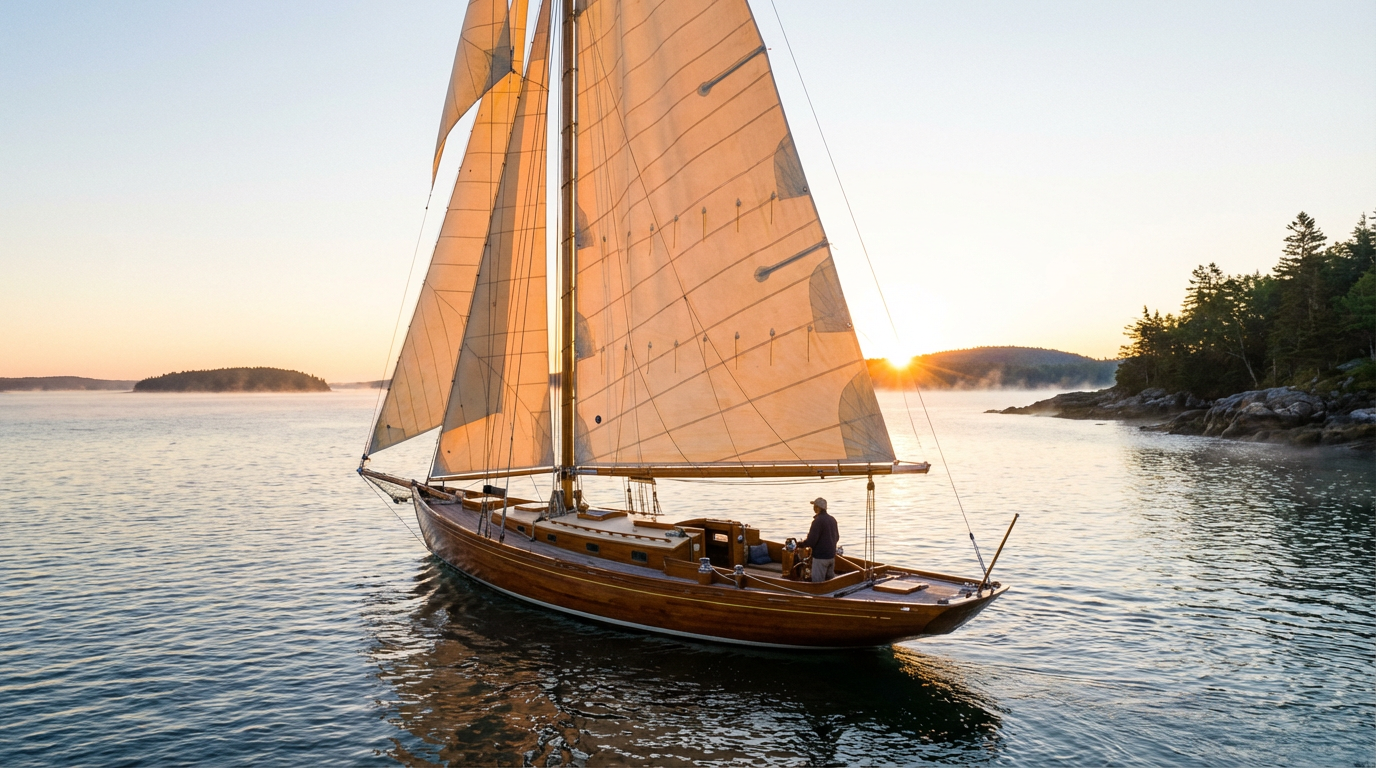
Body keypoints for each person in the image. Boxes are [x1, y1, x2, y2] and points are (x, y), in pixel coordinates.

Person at [798, 497, 839, 582]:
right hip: (831, 557)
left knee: (817, 584)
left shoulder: (817, 521)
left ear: (817, 508)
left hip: (820, 559)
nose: (813, 508)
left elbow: (811, 541)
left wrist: (801, 544)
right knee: (830, 583)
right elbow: (837, 537)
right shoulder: (832, 519)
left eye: (814, 506)